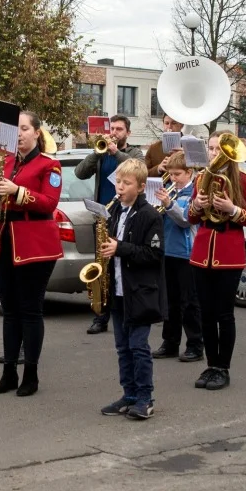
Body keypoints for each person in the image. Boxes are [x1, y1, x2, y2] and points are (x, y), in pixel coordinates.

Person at [0, 111, 64, 397]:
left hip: (34, 245)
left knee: (30, 310)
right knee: (10, 311)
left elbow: (48, 203)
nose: (18, 134)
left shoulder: (49, 165)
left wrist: (17, 191)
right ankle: (8, 372)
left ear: (36, 133)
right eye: (15, 129)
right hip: (4, 242)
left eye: (24, 128)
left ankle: (31, 374)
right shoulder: (4, 163)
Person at [187, 131, 246, 391]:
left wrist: (232, 210)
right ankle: (210, 364)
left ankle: (223, 368)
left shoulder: (243, 179)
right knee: (205, 314)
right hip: (202, 253)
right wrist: (196, 204)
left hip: (229, 253)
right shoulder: (201, 179)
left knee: (224, 314)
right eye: (212, 148)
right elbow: (192, 218)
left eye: (219, 149)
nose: (215, 154)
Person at [99, 159, 166, 420]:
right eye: (118, 182)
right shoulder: (115, 210)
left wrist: (120, 248)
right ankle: (128, 395)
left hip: (140, 292)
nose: (120, 187)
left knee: (138, 347)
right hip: (118, 288)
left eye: (126, 183)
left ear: (140, 187)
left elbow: (154, 254)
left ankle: (145, 398)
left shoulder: (150, 215)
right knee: (122, 347)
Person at [74, 114, 145, 335]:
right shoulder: (101, 153)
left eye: (119, 129)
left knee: (124, 265)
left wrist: (116, 152)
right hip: (104, 218)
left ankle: (126, 312)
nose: (114, 133)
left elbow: (139, 168)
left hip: (127, 216)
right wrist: (98, 152)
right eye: (112, 128)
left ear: (128, 133)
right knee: (101, 267)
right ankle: (100, 316)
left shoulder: (133, 153)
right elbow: (79, 172)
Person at [152, 151, 202, 363]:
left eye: (177, 174)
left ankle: (195, 345)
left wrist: (168, 205)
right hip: (168, 250)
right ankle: (170, 342)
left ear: (189, 172)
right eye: (171, 174)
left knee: (189, 302)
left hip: (186, 252)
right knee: (170, 301)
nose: (172, 178)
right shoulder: (171, 189)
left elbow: (185, 220)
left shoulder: (194, 192)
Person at [145, 113, 185, 177]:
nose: (169, 127)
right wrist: (158, 168)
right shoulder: (153, 148)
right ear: (163, 124)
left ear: (181, 125)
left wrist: (185, 157)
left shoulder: (190, 146)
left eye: (173, 123)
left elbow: (200, 170)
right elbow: (143, 174)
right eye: (166, 123)